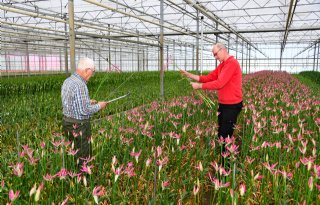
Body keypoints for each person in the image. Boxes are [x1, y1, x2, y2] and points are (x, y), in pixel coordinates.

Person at [180, 43, 243, 153]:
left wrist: (199, 86)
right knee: (221, 134)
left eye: (216, 54)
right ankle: (223, 161)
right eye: (214, 55)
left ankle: (226, 164)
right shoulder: (223, 65)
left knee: (225, 135)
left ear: (222, 50)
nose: (215, 57)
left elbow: (219, 83)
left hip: (232, 105)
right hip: (224, 104)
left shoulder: (231, 63)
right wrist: (189, 75)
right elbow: (208, 78)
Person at [61, 57, 107, 167]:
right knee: (83, 155)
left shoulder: (68, 81)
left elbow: (69, 101)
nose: (92, 75)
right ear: (87, 70)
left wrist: (86, 101)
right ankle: (83, 179)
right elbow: (84, 111)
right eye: (93, 72)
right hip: (79, 126)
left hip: (67, 123)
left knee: (73, 152)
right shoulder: (81, 85)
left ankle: (72, 175)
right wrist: (99, 106)